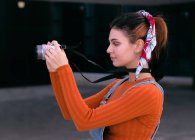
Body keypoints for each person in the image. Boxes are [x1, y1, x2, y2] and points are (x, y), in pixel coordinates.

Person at [44, 10, 168, 140]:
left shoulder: (148, 92)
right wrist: (55, 72)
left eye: (116, 43)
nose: (108, 49)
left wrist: (64, 69)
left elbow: (84, 121)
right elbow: (70, 112)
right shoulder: (119, 84)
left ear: (138, 46)